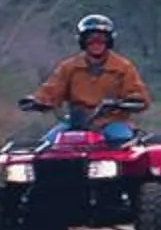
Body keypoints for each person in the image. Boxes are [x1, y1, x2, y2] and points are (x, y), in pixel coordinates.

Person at [25, 13, 151, 141]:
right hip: (76, 122)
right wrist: (37, 101)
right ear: (82, 41)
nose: (96, 43)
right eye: (90, 39)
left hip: (111, 121)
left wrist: (124, 103)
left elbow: (138, 96)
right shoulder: (69, 67)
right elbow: (52, 90)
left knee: (122, 139)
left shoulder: (123, 67)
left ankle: (116, 161)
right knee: (49, 143)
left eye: (101, 39)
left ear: (109, 41)